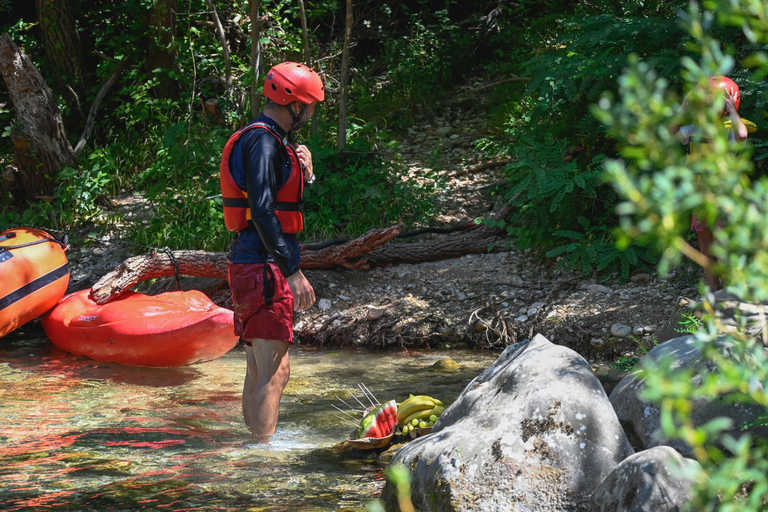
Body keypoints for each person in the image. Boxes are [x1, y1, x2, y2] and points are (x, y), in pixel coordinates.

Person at [220, 62, 324, 440]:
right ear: (291, 102)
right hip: (264, 265)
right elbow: (263, 212)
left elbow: (271, 200)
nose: (310, 113)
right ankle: (263, 458)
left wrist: (307, 175)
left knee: (258, 367)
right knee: (275, 371)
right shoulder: (263, 142)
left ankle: (253, 449)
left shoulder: (268, 141)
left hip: (251, 262)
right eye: (308, 106)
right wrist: (292, 271)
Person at [674, 76, 748, 291]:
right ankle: (714, 290)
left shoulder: (729, 131)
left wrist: (732, 110)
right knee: (706, 244)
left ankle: (729, 289)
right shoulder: (692, 130)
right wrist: (683, 107)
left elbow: (742, 134)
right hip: (701, 196)